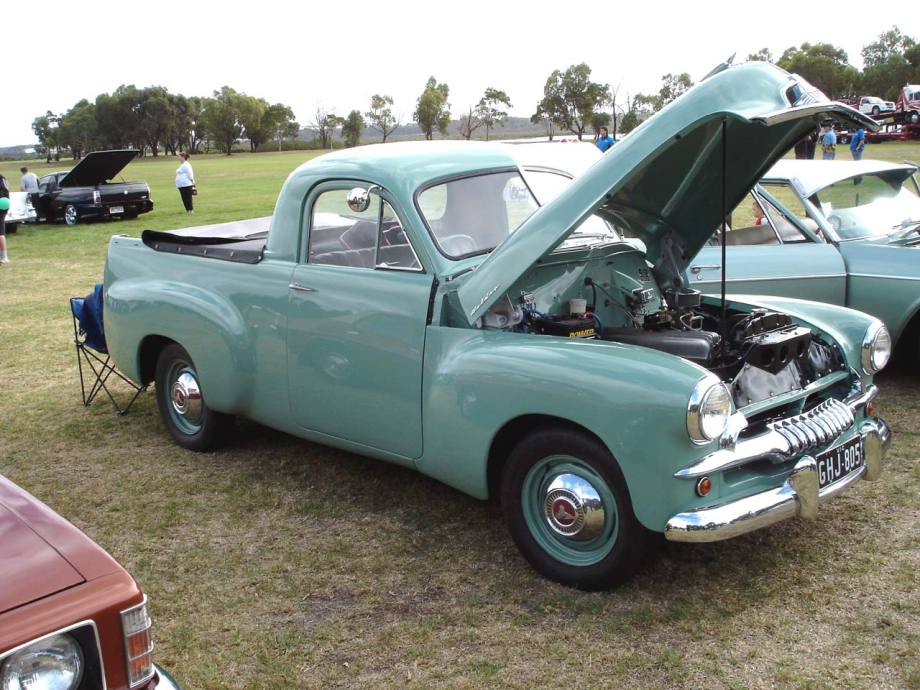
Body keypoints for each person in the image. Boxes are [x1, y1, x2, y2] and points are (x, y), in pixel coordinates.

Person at [0, 173, 10, 264]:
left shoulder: (1, 179)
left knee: (0, 233)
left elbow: (3, 195)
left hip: (1, 209)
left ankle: (4, 256)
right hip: (3, 207)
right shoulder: (3, 178)